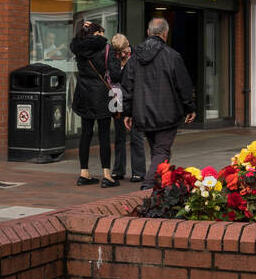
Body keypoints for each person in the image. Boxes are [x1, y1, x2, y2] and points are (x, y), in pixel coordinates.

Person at [122, 17, 196, 190]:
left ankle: (159, 185)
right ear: (165, 33)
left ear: (148, 33)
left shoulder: (134, 59)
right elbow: (183, 85)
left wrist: (127, 112)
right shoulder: (172, 56)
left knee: (158, 150)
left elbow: (127, 86)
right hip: (167, 112)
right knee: (161, 151)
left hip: (143, 113)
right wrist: (189, 107)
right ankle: (149, 185)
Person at [69, 20, 115, 187]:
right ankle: (107, 175)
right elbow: (115, 73)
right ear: (97, 33)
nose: (103, 34)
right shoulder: (105, 47)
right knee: (104, 135)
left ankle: (84, 173)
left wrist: (82, 29)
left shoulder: (79, 48)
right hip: (101, 95)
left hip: (83, 94)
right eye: (101, 31)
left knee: (85, 135)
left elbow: (76, 41)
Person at [108, 34, 146, 183]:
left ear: (128, 44)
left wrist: (124, 68)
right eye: (119, 53)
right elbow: (115, 76)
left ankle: (138, 171)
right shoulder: (113, 57)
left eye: (124, 51)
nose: (123, 55)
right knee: (119, 136)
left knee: (136, 136)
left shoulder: (137, 56)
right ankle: (118, 170)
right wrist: (123, 68)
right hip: (116, 99)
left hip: (134, 99)